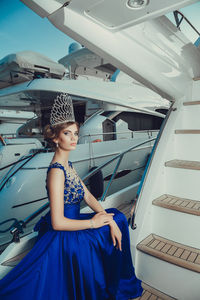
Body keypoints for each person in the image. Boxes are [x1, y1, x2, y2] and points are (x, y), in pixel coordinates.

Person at [0, 93, 143, 300]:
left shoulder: (68, 165)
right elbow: (58, 223)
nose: (74, 138)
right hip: (64, 231)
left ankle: (117, 281)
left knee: (117, 218)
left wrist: (106, 218)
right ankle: (109, 284)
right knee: (104, 230)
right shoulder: (56, 172)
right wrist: (94, 223)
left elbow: (88, 196)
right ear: (56, 138)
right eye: (68, 133)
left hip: (75, 222)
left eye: (76, 133)